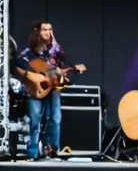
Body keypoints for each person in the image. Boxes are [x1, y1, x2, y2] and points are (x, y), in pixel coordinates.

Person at [15, 21, 86, 159]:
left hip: (52, 90)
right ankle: (33, 153)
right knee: (35, 122)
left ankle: (53, 150)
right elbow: (21, 70)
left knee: (55, 118)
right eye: (45, 30)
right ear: (37, 32)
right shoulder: (27, 55)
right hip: (34, 92)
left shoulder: (54, 52)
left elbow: (62, 67)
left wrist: (73, 70)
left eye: (50, 29)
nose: (48, 33)